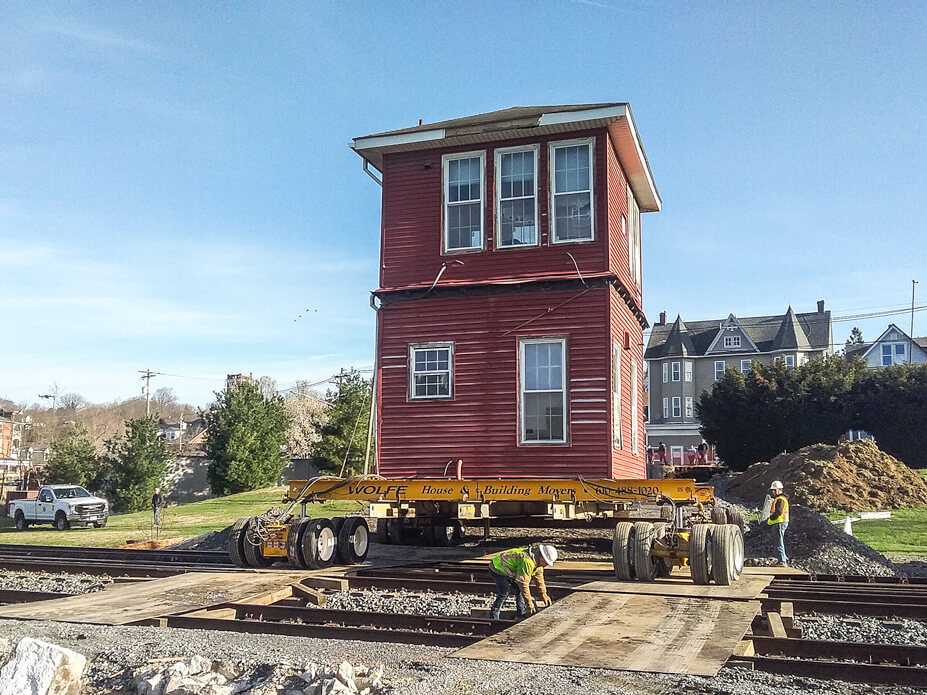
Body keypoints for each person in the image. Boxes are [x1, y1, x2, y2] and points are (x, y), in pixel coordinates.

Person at [488, 544, 557, 620]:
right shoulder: (527, 562)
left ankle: (521, 613)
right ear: (542, 557)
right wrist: (529, 603)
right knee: (505, 592)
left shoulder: (538, 564)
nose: (546, 565)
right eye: (547, 562)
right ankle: (494, 615)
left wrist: (543, 594)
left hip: (509, 568)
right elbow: (523, 584)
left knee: (519, 590)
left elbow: (539, 579)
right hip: (497, 567)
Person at [767, 480, 789, 566]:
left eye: (774, 490)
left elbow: (778, 512)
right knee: (778, 542)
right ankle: (781, 560)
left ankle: (782, 561)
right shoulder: (781, 499)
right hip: (781, 522)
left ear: (779, 490)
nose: (773, 492)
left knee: (779, 542)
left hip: (779, 522)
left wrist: (771, 518)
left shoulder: (780, 499)